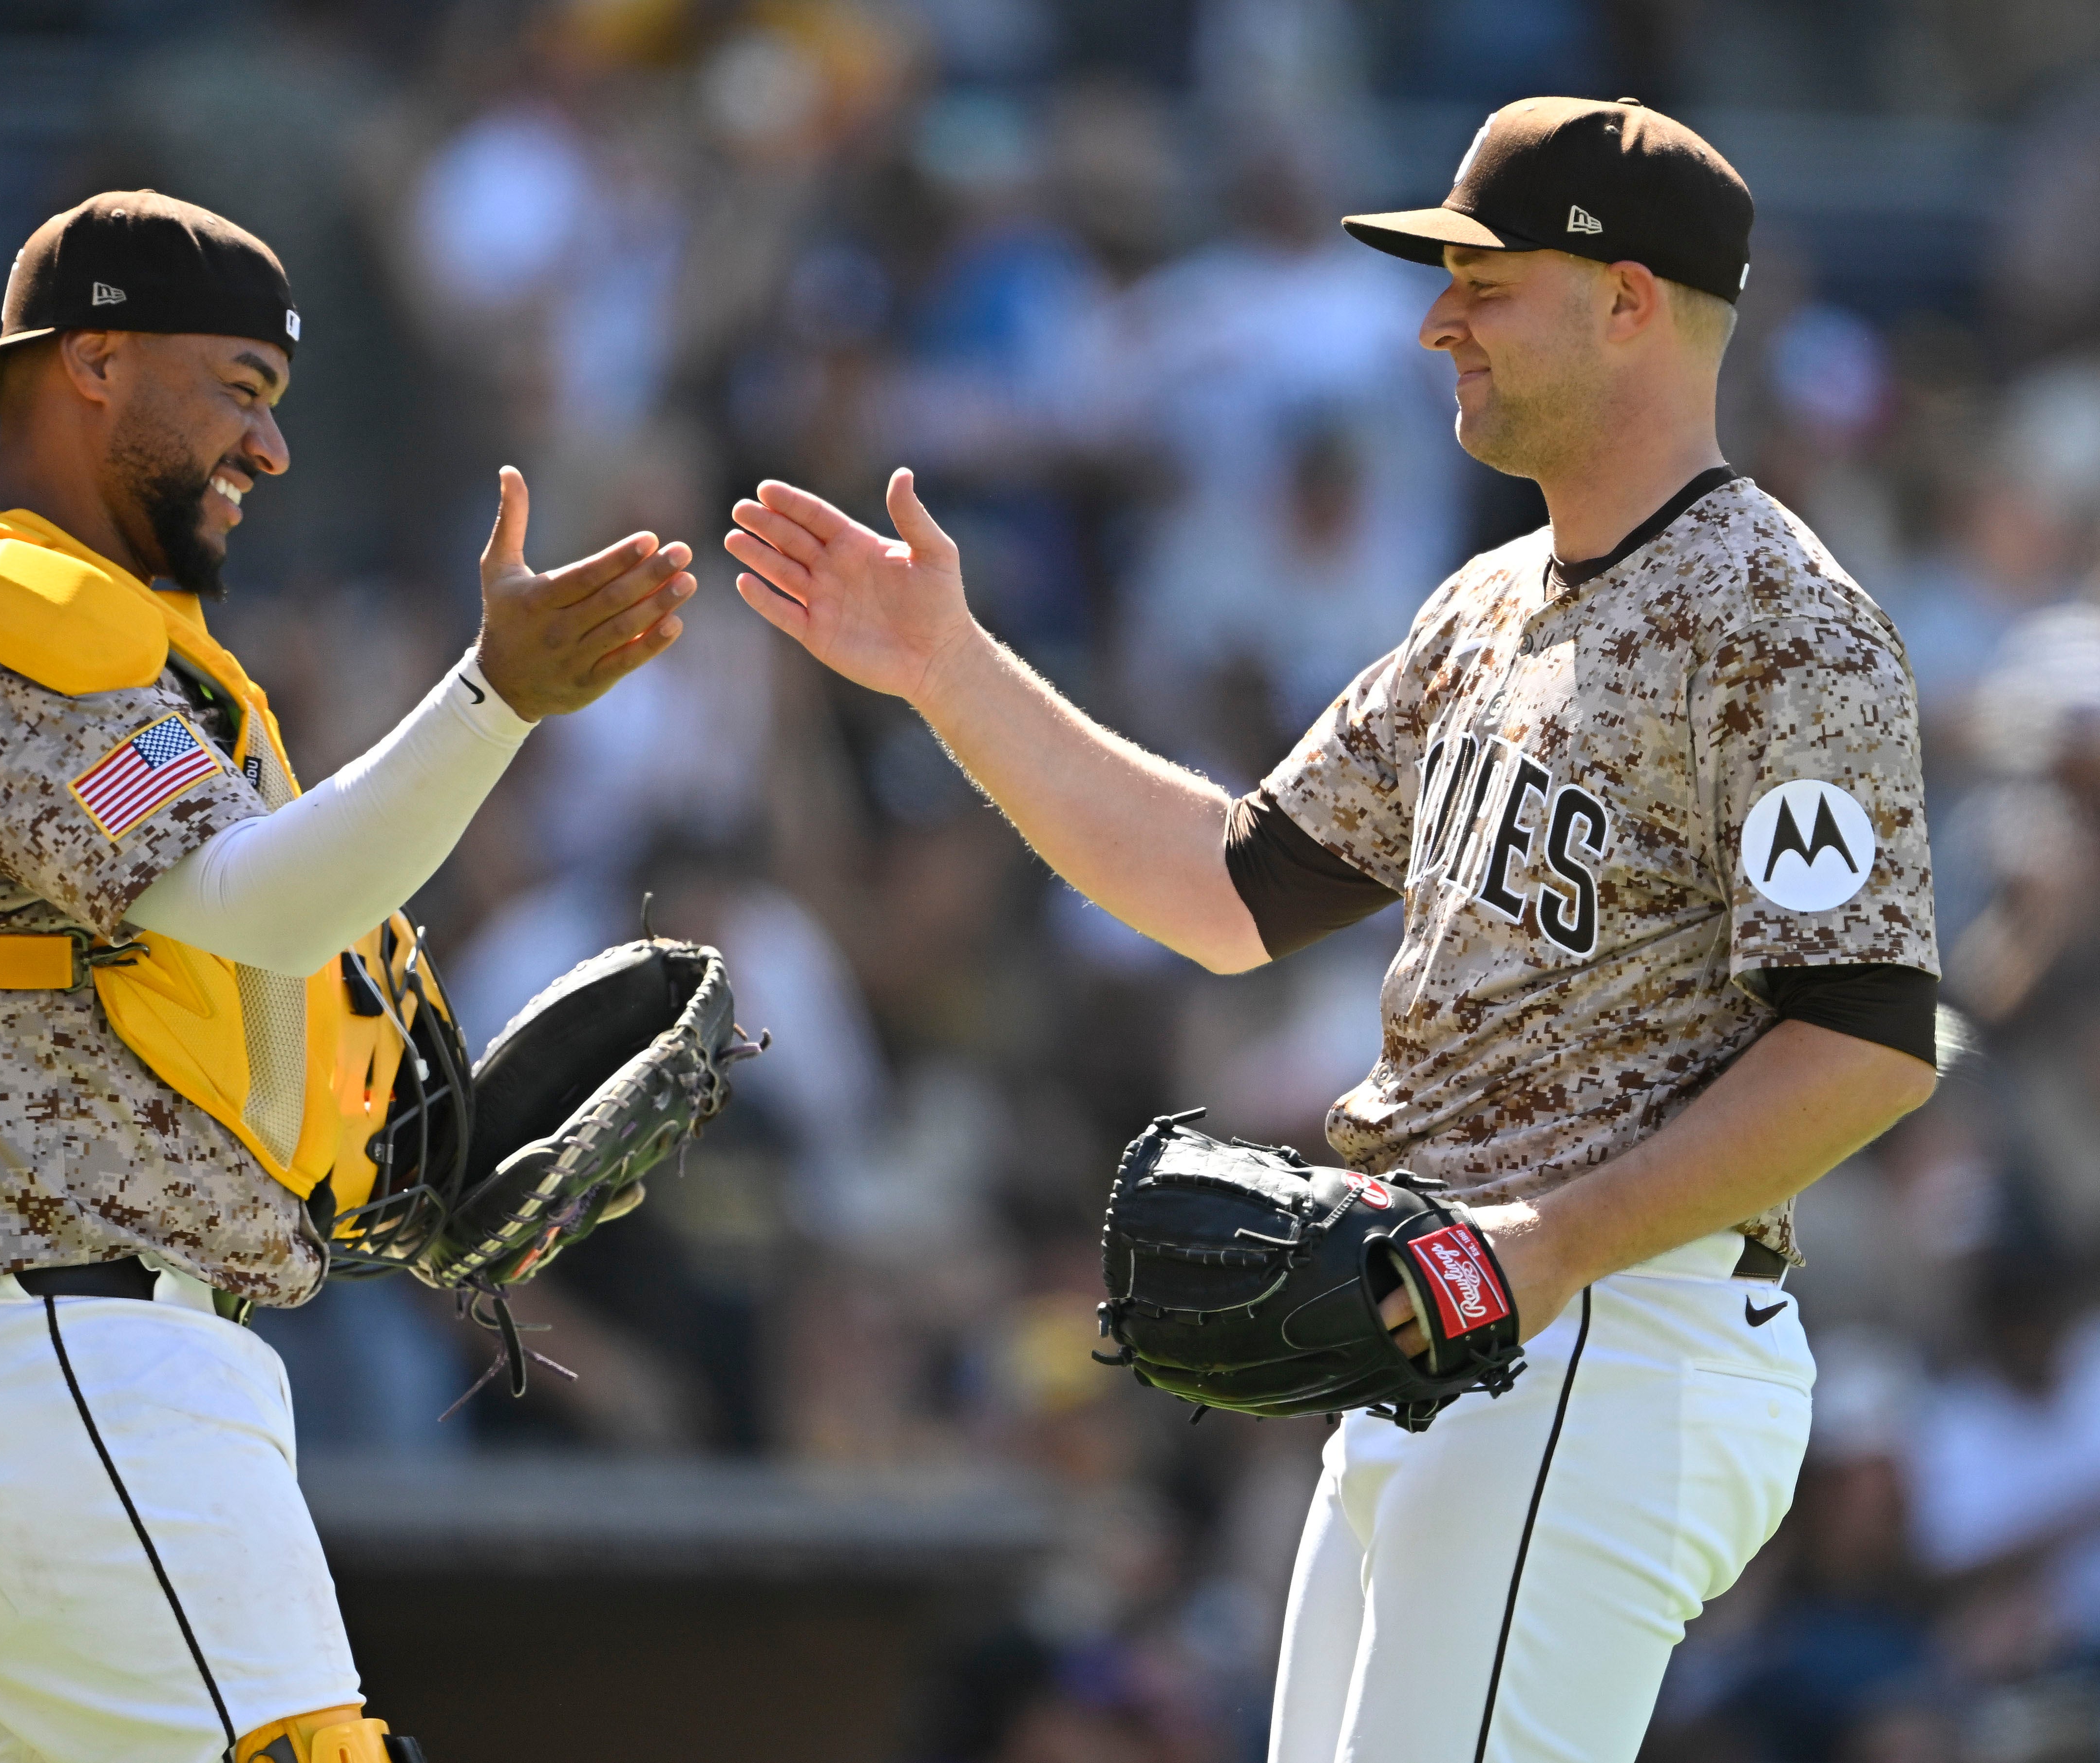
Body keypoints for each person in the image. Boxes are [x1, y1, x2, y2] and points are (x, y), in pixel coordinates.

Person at [728, 98, 1941, 1760]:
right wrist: (949, 667)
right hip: (1449, 1330)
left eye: (1483, 280)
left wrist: (1550, 1246)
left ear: (1626, 299)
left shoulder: (1779, 621)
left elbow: (1865, 1042)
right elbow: (1227, 890)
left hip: (1610, 1332)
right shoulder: (1483, 606)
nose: (1436, 319)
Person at [0, 191, 695, 1763]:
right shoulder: (4, 631)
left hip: (21, 1376)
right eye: (239, 388)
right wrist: (497, 699)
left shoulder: (113, 642)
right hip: (62, 1368)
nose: (269, 449)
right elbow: (256, 905)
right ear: (94, 360)